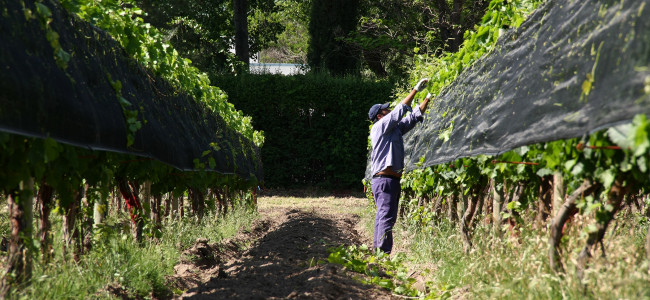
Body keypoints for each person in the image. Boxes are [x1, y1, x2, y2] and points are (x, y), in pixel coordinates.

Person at [367, 78, 431, 254]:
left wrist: (428, 98)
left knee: (385, 217)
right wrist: (415, 90)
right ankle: (383, 254)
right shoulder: (379, 127)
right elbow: (400, 111)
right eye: (385, 109)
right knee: (386, 217)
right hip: (384, 180)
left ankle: (378, 252)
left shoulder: (392, 130)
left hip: (389, 180)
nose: (388, 110)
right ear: (379, 116)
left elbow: (412, 117)